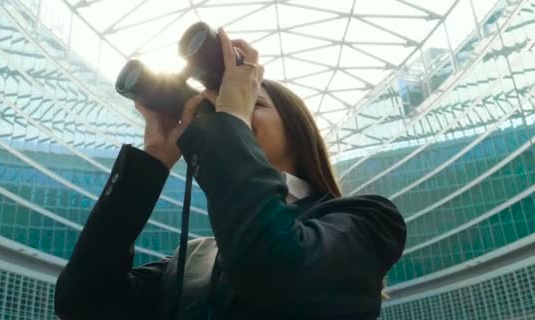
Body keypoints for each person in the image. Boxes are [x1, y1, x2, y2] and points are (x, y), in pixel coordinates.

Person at [54, 27, 406, 320]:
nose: (229, 114)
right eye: (219, 107)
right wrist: (153, 161)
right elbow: (82, 303)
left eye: (256, 104)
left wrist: (231, 120)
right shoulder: (191, 262)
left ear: (299, 132)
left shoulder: (370, 222)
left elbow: (272, 266)